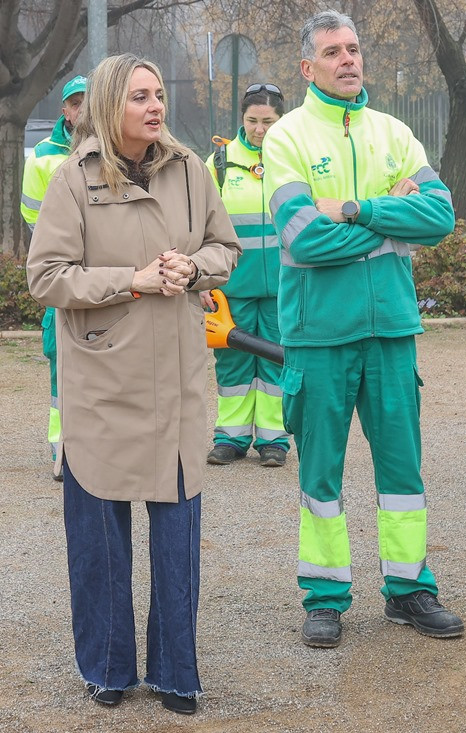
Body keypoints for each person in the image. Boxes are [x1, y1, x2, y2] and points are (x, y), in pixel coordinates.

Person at [25, 54, 240, 715]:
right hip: (102, 385)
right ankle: (108, 668)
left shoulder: (190, 170)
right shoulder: (72, 179)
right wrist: (132, 278)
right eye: (139, 96)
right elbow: (47, 277)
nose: (155, 106)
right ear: (111, 105)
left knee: (177, 533)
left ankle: (177, 672)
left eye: (158, 94)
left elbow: (224, 248)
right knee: (99, 538)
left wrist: (193, 267)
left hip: (175, 382)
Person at [262, 9, 464, 648]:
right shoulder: (286, 137)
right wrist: (392, 218)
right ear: (307, 67)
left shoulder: (394, 131)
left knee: (402, 469)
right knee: (320, 472)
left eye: (353, 49)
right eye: (332, 52)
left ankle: (409, 590)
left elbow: (440, 217)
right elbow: (304, 237)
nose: (348, 60)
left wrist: (354, 208)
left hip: (391, 331)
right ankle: (324, 597)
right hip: (318, 334)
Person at [203, 83, 290, 468]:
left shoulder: (293, 158)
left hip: (285, 285)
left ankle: (274, 440)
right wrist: (202, 280)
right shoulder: (218, 162)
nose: (260, 129)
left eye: (268, 121)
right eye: (253, 120)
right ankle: (231, 437)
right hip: (232, 287)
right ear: (242, 118)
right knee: (233, 362)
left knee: (277, 360)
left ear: (281, 119)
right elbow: (198, 224)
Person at [21, 74, 86, 481]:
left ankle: (94, 449)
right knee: (61, 363)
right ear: (64, 109)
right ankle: (62, 450)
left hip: (97, 271)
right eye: (74, 102)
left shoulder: (113, 146)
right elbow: (31, 214)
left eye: (87, 102)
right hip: (62, 271)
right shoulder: (43, 155)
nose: (81, 110)